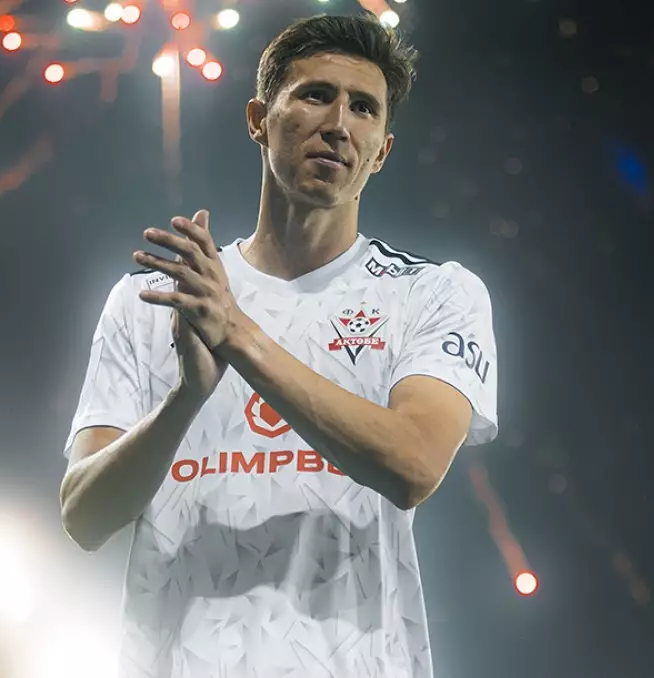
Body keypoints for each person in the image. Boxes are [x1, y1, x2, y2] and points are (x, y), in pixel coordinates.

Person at [59, 13, 498, 678]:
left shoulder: (433, 294)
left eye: (364, 107)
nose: (339, 124)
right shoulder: (153, 301)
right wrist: (186, 399)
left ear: (382, 150)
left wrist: (238, 335)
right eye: (316, 95)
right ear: (258, 119)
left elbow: (413, 464)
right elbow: (84, 516)